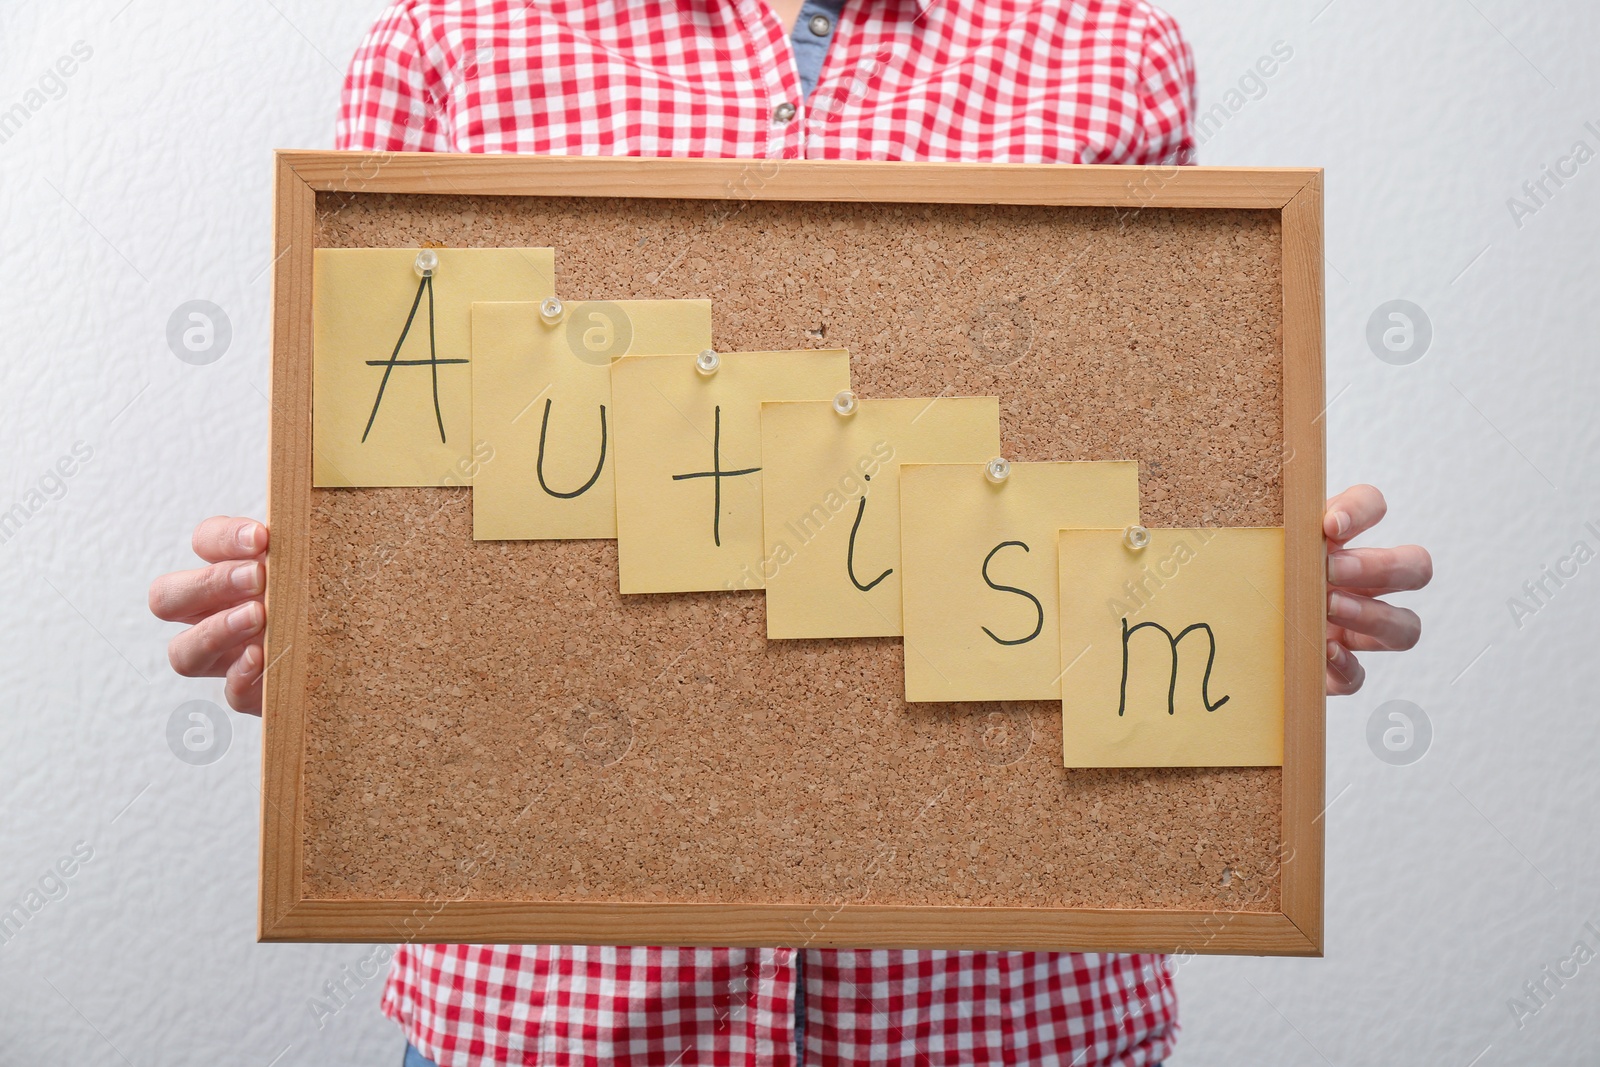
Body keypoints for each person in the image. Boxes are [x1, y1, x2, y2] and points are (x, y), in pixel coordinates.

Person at [148, 2, 1433, 1063]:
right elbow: (406, 488)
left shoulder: (1108, 52)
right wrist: (337, 631)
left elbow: (1133, 455)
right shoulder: (451, 43)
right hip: (558, 1011)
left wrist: (1245, 602)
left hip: (1002, 1013)